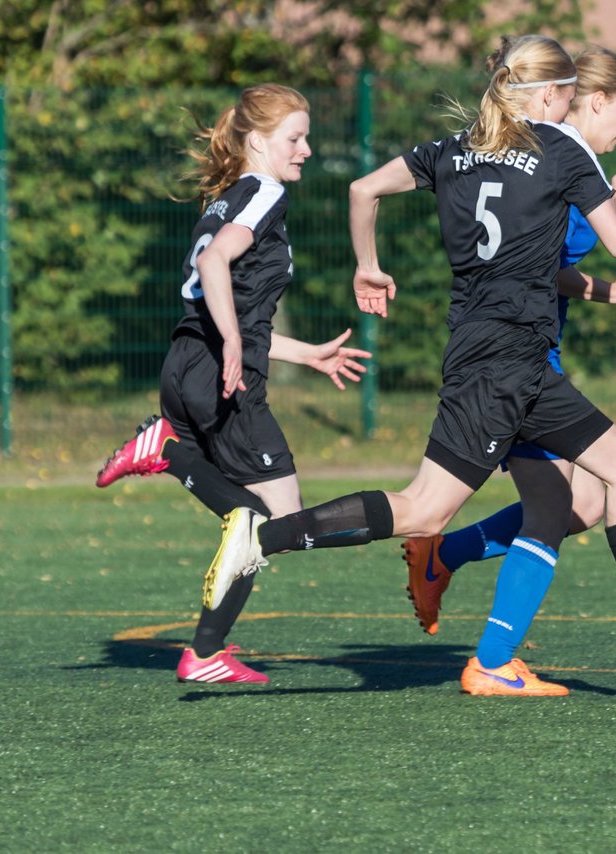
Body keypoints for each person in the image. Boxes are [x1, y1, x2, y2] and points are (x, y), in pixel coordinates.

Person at [203, 35, 616, 697]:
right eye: (568, 95)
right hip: (510, 363)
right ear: (548, 95)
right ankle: (264, 539)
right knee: (425, 510)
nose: (573, 107)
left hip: (489, 354)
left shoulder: (454, 148)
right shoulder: (559, 149)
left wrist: (367, 265)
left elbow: (364, 188)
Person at [402, 46, 616, 682]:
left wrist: (604, 292)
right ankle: (491, 644)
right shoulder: (565, 162)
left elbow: (545, 268)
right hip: (518, 361)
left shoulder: (541, 155)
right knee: (580, 498)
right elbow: (589, 247)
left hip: (519, 353)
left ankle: (447, 564)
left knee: (572, 506)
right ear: (593, 100)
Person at [95, 83, 371, 684]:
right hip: (222, 376)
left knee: (255, 519)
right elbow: (214, 264)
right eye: (294, 139)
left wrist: (301, 354)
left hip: (188, 366)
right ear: (256, 141)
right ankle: (165, 451)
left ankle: (205, 652)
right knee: (276, 517)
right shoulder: (263, 192)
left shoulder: (228, 196)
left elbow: (231, 305)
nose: (306, 149)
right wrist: (240, 345)